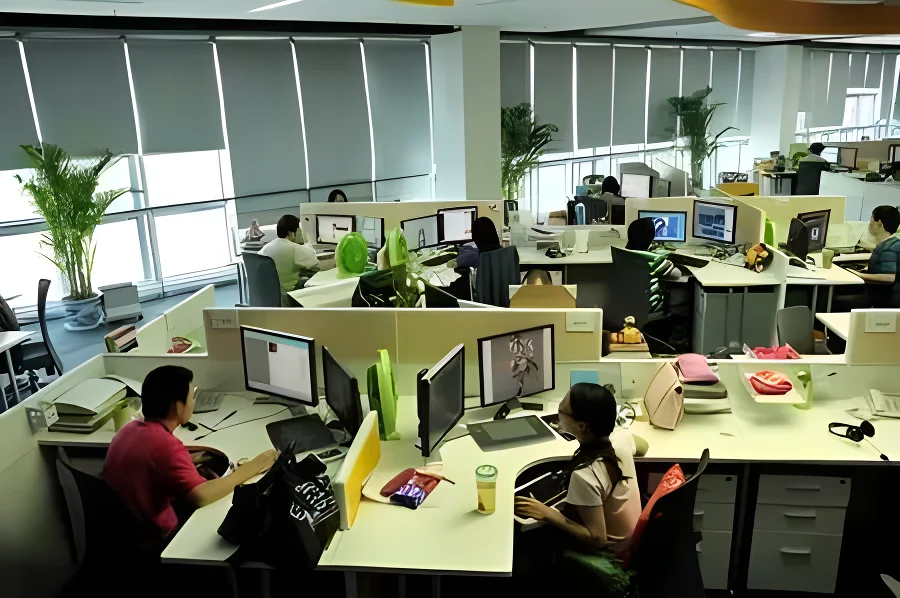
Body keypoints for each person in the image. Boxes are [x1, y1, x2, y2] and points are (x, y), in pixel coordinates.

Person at [104, 366, 278, 538]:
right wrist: (251, 468)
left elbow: (156, 465)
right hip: (159, 535)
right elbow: (200, 497)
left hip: (126, 527)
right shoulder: (164, 444)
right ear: (178, 407)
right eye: (192, 396)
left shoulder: (129, 430)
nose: (193, 402)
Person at [514, 383, 641, 595]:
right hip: (631, 542)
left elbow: (597, 538)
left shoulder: (585, 475)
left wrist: (547, 513)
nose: (558, 416)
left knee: (525, 542)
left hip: (610, 555)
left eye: (562, 412)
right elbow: (643, 446)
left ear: (582, 426)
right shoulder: (620, 440)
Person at [851, 205, 900, 307]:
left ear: (879, 223)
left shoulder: (888, 247)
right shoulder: (893, 242)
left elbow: (889, 277)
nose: (870, 225)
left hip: (882, 296)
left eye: (871, 221)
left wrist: (859, 275)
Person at [259, 214, 320, 293]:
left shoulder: (265, 248)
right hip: (287, 292)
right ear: (290, 232)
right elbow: (315, 263)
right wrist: (306, 241)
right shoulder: (293, 248)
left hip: (268, 293)